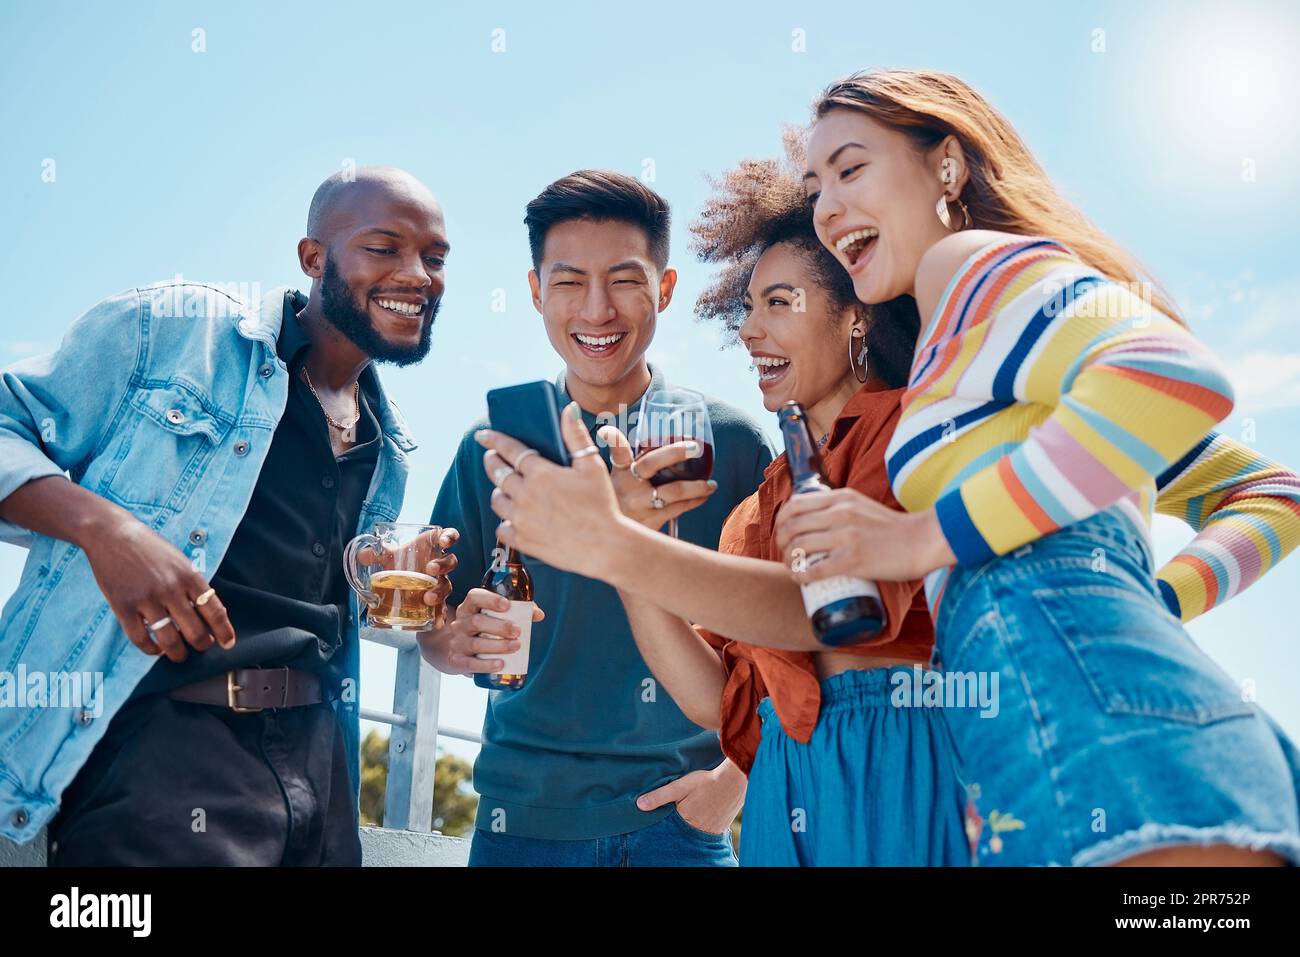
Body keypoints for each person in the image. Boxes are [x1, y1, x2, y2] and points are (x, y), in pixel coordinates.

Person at [473, 146, 1300, 866]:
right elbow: (717, 697)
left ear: (856, 315)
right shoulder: (755, 509)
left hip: (910, 760)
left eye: (780, 303)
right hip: (783, 792)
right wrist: (633, 553)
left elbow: (831, 617)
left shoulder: (924, 436)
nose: (748, 331)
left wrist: (616, 545)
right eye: (747, 306)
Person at [776, 68, 1300, 865]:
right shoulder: (992, 358)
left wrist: (926, 536)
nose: (827, 207)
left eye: (850, 169)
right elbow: (1274, 494)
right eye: (816, 187)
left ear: (946, 166)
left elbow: (1169, 375)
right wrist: (1153, 597)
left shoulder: (965, 263)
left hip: (1084, 709)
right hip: (1087, 704)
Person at [0, 166, 456, 864]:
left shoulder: (385, 446)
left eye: (435, 256)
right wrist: (106, 529)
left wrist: (377, 581)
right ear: (313, 259)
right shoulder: (178, 330)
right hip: (164, 759)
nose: (417, 273)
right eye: (384, 247)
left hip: (322, 782)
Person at [419, 170, 775, 866]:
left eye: (625, 279)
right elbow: (438, 629)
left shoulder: (731, 445)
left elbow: (788, 644)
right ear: (535, 291)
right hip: (516, 821)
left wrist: (728, 787)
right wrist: (449, 638)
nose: (597, 309)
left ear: (665, 289)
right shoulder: (493, 445)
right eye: (569, 281)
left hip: (679, 827)